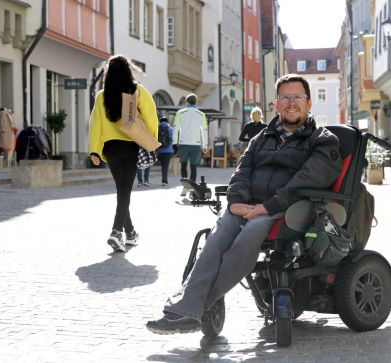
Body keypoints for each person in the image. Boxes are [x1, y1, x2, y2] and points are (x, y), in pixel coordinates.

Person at [146, 74, 342, 334]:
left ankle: (194, 307)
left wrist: (268, 207)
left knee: (249, 234)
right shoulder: (260, 138)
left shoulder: (323, 139)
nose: (291, 103)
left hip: (291, 208)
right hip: (249, 206)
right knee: (215, 238)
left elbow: (307, 180)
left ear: (308, 104)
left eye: (297, 97)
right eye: (285, 97)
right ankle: (187, 311)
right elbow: (241, 172)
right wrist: (236, 201)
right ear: (276, 103)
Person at [89, 54, 159, 252]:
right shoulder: (137, 91)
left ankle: (131, 232)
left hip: (110, 149)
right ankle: (116, 231)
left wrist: (94, 149)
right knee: (124, 191)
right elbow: (151, 116)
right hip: (130, 146)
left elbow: (95, 124)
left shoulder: (102, 95)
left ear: (108, 73)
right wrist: (150, 141)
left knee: (122, 190)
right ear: (128, 71)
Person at [172, 93, 208, 195]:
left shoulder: (180, 112)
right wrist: (205, 145)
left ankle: (185, 187)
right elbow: (204, 130)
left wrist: (174, 144)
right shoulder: (201, 114)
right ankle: (192, 188)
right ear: (196, 102)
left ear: (186, 102)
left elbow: (176, 128)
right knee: (193, 167)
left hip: (183, 143)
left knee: (183, 165)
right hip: (196, 144)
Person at [156, 117, 174, 186]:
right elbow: (173, 139)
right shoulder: (170, 129)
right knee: (165, 166)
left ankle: (146, 180)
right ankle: (164, 181)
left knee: (160, 165)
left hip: (159, 150)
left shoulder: (157, 128)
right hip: (168, 151)